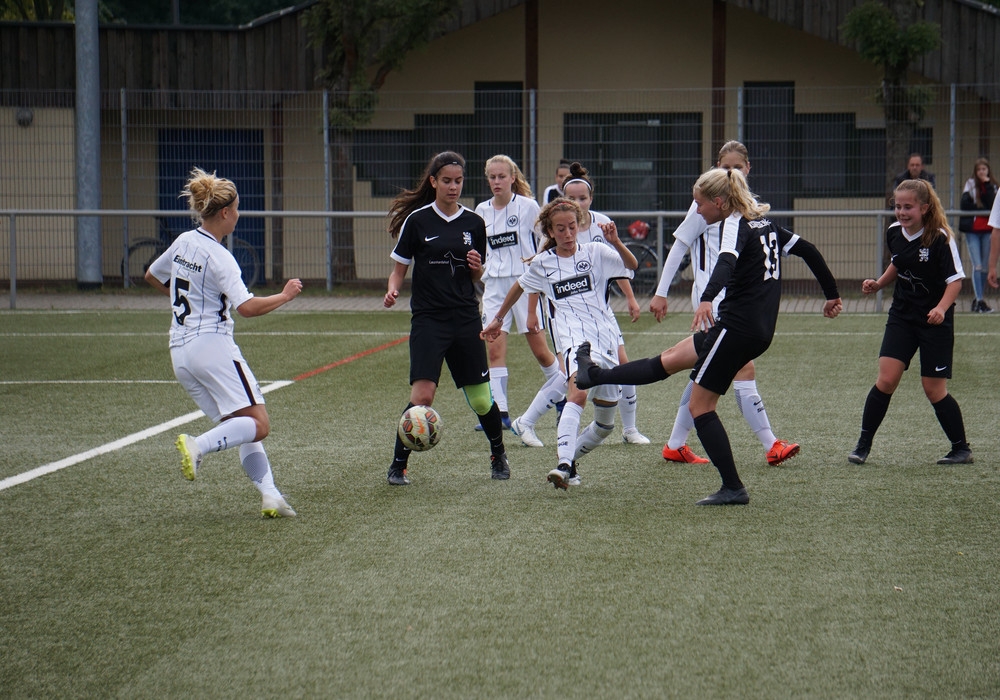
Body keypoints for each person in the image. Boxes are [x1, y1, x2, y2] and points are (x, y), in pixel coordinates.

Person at [574, 167, 842, 505]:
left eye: (700, 204)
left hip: (737, 329)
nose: (697, 211)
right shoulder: (766, 224)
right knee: (671, 358)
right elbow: (810, 250)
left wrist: (705, 297)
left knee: (701, 406)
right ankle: (593, 375)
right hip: (753, 329)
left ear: (719, 201)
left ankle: (733, 487)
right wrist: (831, 293)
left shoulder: (734, 224)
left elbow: (726, 263)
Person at [144, 167, 301, 518]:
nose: (239, 215)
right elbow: (246, 308)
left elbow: (153, 275)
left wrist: (186, 300)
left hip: (180, 354)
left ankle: (270, 494)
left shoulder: (185, 241)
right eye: (238, 209)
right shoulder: (221, 257)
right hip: (211, 347)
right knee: (259, 423)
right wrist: (285, 295)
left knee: (243, 427)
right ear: (226, 213)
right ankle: (197, 445)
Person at [649, 140, 799, 467]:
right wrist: (661, 292)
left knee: (706, 370)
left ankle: (676, 444)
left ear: (748, 169)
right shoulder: (705, 204)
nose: (732, 171)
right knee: (741, 365)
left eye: (737, 167)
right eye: (725, 167)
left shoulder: (749, 209)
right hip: (712, 295)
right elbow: (679, 246)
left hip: (736, 299)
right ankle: (771, 443)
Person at [481, 197, 638, 489]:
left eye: (571, 227)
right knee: (576, 394)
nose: (567, 234)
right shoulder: (544, 264)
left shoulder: (596, 252)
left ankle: (569, 461)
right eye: (560, 229)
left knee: (605, 425)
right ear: (550, 232)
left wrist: (616, 241)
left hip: (604, 337)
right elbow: (519, 286)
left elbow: (632, 264)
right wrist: (498, 318)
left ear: (579, 226)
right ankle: (564, 464)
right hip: (573, 341)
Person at [384, 151, 510, 485]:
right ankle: (398, 465)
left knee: (482, 399)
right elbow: (399, 270)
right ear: (433, 182)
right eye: (446, 181)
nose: (453, 187)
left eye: (458, 181)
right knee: (422, 397)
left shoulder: (473, 223)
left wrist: (476, 269)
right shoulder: (418, 221)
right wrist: (393, 290)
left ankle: (499, 455)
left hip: (466, 318)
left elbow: (478, 277)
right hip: (428, 320)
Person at [848, 179, 972, 466]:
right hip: (902, 316)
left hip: (934, 321)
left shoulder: (940, 238)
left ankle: (961, 448)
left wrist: (941, 308)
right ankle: (863, 445)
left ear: (924, 208)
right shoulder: (894, 232)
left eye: (908, 207)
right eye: (897, 206)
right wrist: (879, 283)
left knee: (933, 388)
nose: (902, 213)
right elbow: (899, 262)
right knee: (886, 379)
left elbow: (955, 281)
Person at [474, 155, 563, 440]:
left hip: (525, 285)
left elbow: (544, 241)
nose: (496, 181)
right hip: (494, 287)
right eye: (492, 177)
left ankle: (560, 395)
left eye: (502, 176)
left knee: (539, 348)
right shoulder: (481, 210)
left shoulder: (527, 207)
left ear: (513, 178)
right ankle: (499, 412)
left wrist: (540, 271)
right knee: (494, 349)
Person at [560, 161, 650, 445]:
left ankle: (630, 428)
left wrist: (632, 299)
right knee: (567, 376)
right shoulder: (557, 228)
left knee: (623, 365)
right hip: (570, 316)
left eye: (582, 198)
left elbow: (620, 266)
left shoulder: (601, 225)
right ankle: (539, 423)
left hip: (601, 312)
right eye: (571, 198)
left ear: (591, 199)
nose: (577, 203)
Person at [958, 158, 998, 313]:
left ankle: (978, 298)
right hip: (973, 230)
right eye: (979, 169)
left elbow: (992, 205)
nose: (982, 172)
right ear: (976, 171)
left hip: (988, 230)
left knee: (986, 266)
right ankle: (979, 300)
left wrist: (986, 186)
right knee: (977, 265)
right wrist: (978, 207)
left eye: (984, 169)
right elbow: (965, 204)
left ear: (988, 170)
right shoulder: (970, 184)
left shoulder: (993, 186)